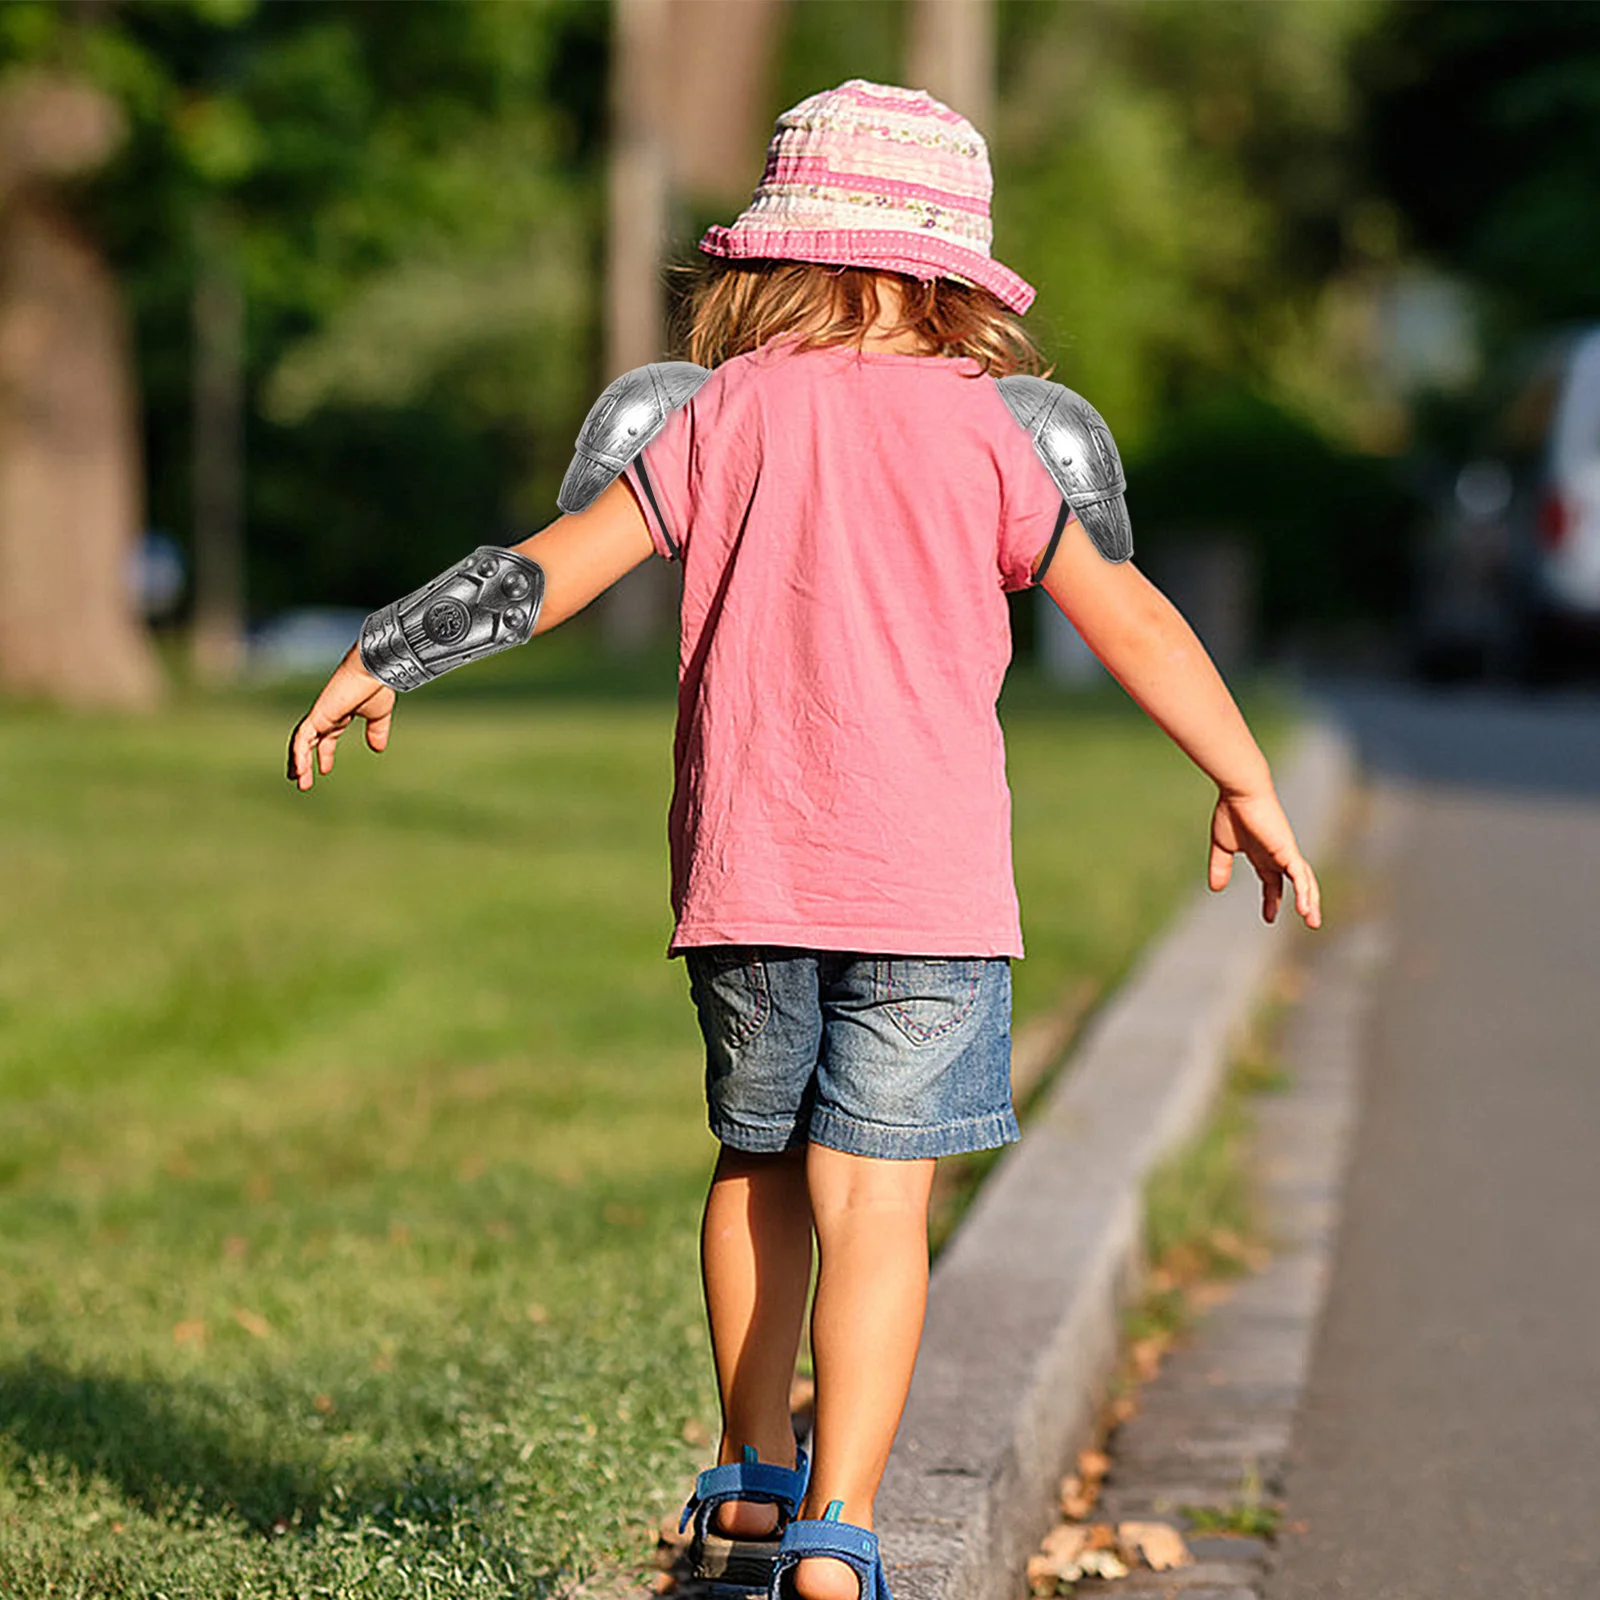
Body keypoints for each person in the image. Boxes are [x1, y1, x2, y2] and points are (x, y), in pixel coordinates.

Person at [288, 78, 1321, 1600]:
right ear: (948, 275)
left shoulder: (724, 414)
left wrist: (390, 648)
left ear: (779, 253)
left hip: (750, 885)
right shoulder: (993, 438)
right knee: (878, 1202)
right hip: (933, 901)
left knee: (757, 1163)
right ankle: (843, 1529)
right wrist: (1244, 777)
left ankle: (754, 1470)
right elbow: (1133, 617)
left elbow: (548, 568)